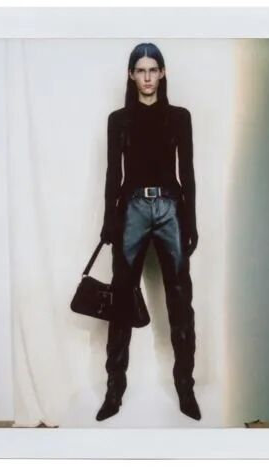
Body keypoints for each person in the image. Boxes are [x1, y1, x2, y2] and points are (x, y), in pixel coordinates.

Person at [96, 42, 201, 421]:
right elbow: (114, 172)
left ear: (162, 73)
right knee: (121, 298)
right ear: (131, 75)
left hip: (171, 207)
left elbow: (187, 171)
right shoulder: (119, 120)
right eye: (140, 70)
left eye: (152, 70)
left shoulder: (179, 117)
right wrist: (109, 218)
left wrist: (191, 220)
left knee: (180, 300)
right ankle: (114, 391)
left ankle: (185, 388)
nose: (147, 77)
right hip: (133, 209)